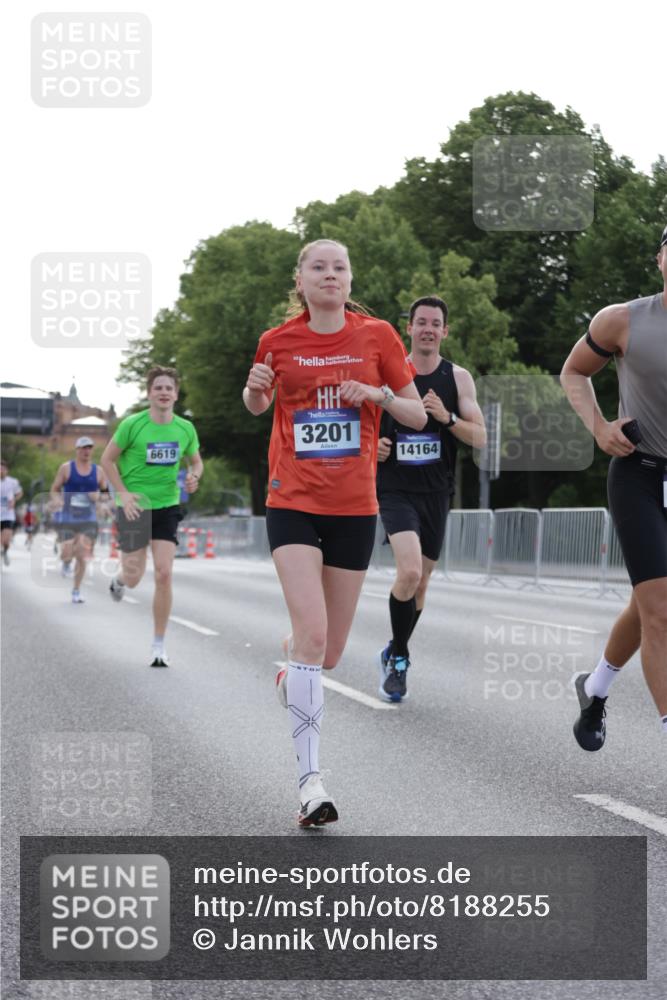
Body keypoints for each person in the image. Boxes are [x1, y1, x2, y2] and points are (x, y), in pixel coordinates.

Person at [243, 238, 426, 827]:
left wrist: (376, 393)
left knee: (327, 653)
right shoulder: (277, 341)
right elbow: (256, 405)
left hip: (353, 507)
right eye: (318, 267)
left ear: (350, 280)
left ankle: (292, 668)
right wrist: (255, 388)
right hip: (292, 501)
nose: (329, 274)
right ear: (300, 280)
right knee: (314, 636)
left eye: (339, 267)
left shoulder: (378, 337)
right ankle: (311, 785)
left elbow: (417, 414)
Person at [561, 223, 667, 749]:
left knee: (647, 605)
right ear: (660, 259)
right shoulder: (622, 320)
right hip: (639, 475)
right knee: (661, 611)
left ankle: (595, 687)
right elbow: (574, 372)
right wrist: (599, 427)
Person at [375, 296, 487, 702]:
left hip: (436, 492)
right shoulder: (388, 374)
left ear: (445, 331)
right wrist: (373, 449)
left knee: (421, 584)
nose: (428, 329)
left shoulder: (458, 378)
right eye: (421, 322)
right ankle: (399, 659)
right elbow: (361, 425)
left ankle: (394, 648)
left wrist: (447, 417)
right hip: (395, 489)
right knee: (408, 573)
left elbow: (481, 437)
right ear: (408, 328)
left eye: (435, 323)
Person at [100, 366, 203, 667]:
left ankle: (159, 644)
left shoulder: (185, 428)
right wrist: (123, 494)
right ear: (149, 393)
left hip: (167, 506)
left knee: (164, 573)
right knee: (134, 575)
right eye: (158, 387)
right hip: (134, 506)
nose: (163, 392)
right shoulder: (133, 425)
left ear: (176, 394)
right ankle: (120, 580)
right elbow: (107, 460)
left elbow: (196, 462)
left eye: (169, 388)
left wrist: (194, 476)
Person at [49, 437, 107, 603]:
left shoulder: (98, 471)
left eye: (89, 448)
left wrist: (99, 497)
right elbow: (54, 489)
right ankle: (66, 562)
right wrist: (57, 500)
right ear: (77, 450)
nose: (86, 451)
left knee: (81, 554)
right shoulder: (66, 468)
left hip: (88, 518)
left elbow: (106, 494)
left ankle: (76, 590)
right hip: (68, 516)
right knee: (67, 552)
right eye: (83, 448)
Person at [0, 462, 23, 566]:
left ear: (7, 470)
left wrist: (14, 499)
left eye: (3, 469)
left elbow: (20, 493)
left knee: (6, 540)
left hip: (8, 515)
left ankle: (5, 552)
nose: (1, 471)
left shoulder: (13, 482)